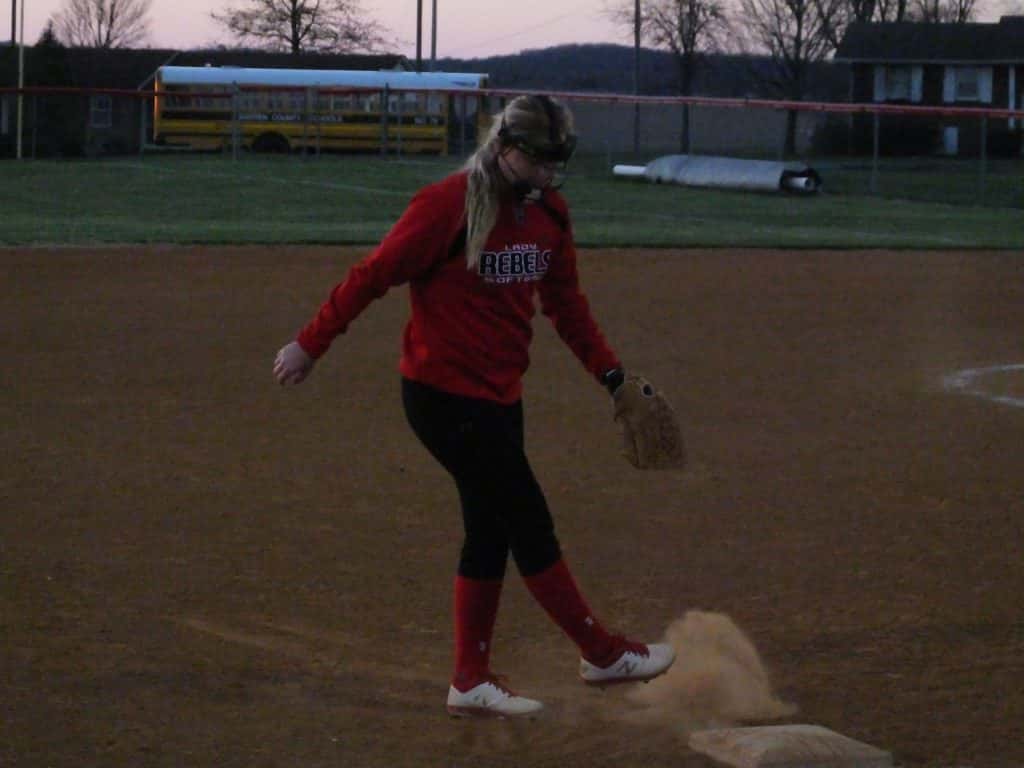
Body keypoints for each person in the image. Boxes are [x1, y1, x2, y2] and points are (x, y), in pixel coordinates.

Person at [273, 94, 675, 719]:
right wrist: (310, 343)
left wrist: (613, 377)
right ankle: (600, 653)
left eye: (557, 163)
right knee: (527, 522)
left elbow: (566, 306)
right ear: (505, 149)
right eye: (538, 161)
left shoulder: (549, 213)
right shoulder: (447, 206)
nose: (548, 174)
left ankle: (469, 679)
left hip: (500, 394)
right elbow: (373, 274)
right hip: (442, 396)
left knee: (490, 529)